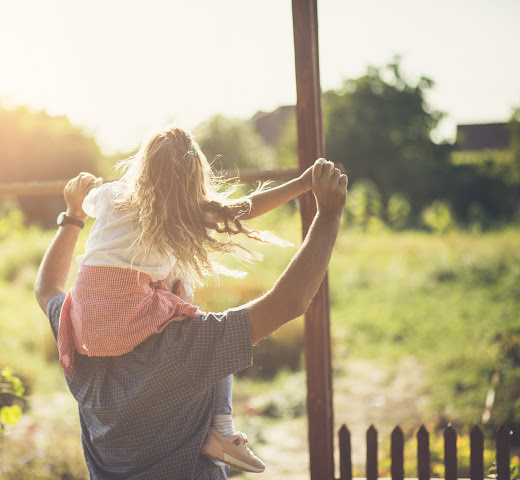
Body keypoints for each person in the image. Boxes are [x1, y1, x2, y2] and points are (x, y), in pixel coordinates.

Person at [35, 130, 347, 478]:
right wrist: (327, 212)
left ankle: (221, 431)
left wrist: (72, 215)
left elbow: (46, 287)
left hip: (89, 329)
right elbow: (289, 300)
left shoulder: (76, 335)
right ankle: (222, 430)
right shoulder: (189, 345)